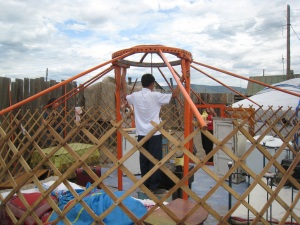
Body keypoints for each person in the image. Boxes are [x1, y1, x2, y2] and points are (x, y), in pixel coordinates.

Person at [124, 73, 184, 194]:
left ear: (142, 83)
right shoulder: (156, 96)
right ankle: (154, 186)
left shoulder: (135, 96)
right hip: (154, 133)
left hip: (141, 133)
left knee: (144, 159)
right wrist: (182, 79)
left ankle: (145, 184)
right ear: (152, 84)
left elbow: (125, 95)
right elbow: (175, 94)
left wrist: (122, 76)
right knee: (155, 160)